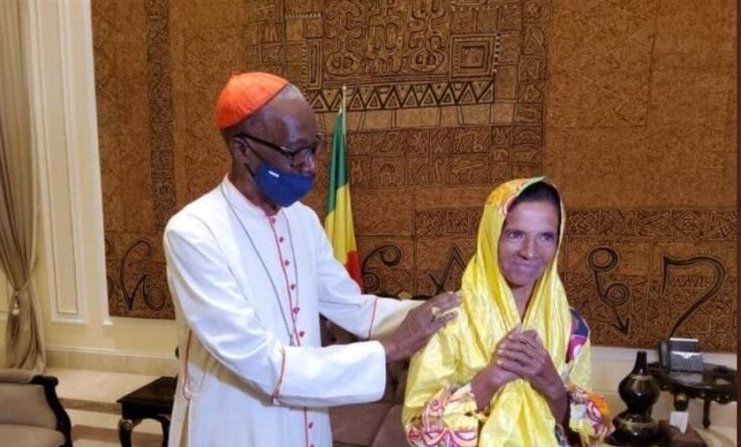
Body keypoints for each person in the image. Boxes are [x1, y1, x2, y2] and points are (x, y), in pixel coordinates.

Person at [163, 71, 461, 447]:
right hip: (239, 424)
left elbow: (352, 307)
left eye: (314, 148)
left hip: (307, 421)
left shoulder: (301, 219)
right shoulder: (193, 232)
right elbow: (261, 361)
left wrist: (443, 311)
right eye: (295, 151)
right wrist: (392, 348)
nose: (311, 167)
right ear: (242, 149)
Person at [402, 177, 613, 446]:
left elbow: (588, 436)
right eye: (515, 234)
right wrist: (489, 379)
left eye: (545, 237)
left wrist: (552, 386)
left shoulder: (572, 327)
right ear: (492, 235)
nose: (529, 252)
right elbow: (417, 430)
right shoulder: (449, 320)